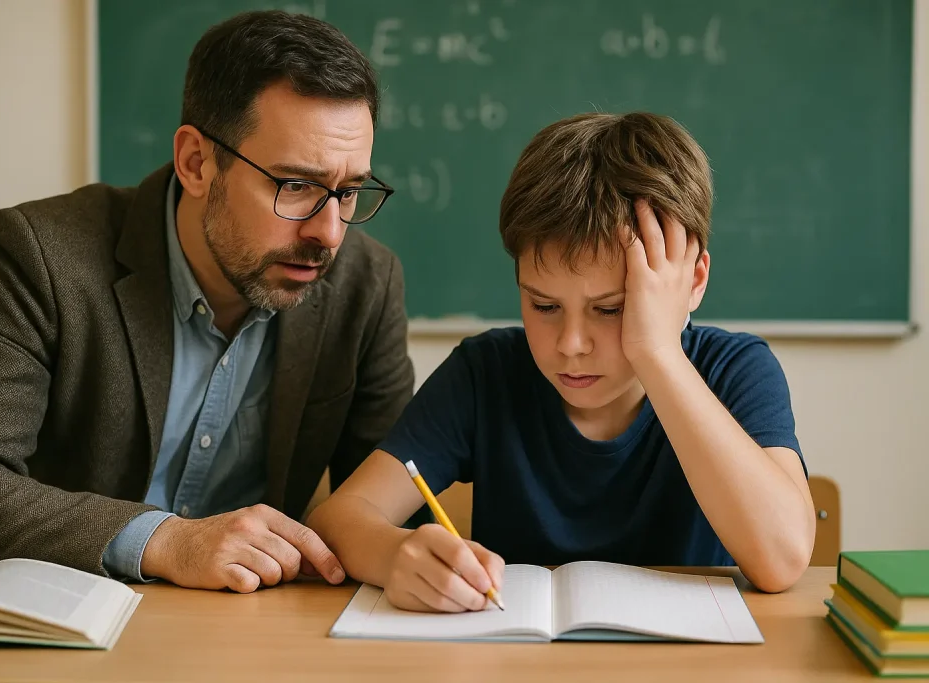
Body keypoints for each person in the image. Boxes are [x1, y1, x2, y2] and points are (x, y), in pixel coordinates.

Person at [0, 10, 415, 594]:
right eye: (295, 185)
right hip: (66, 614)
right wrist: (165, 541)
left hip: (253, 625)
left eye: (348, 192)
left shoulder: (366, 284)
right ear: (196, 162)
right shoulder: (41, 255)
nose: (329, 233)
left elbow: (386, 504)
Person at [307, 111, 816, 612]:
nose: (571, 344)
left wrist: (658, 352)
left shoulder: (736, 370)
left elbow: (782, 559)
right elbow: (338, 518)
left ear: (693, 281)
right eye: (544, 306)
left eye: (611, 309)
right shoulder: (485, 374)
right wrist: (395, 553)